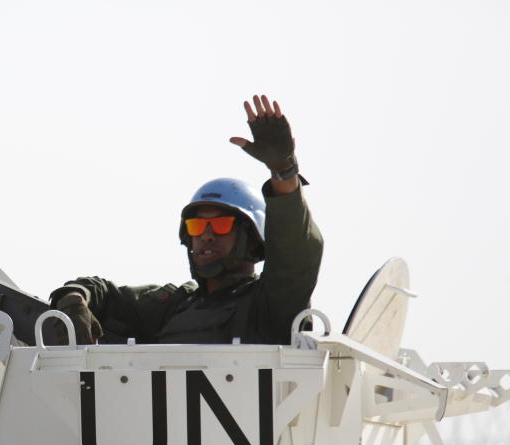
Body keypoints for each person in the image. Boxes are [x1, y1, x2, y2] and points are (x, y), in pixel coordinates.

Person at [50, 95, 323, 346]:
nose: (205, 235)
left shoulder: (269, 303)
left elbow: (295, 252)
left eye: (219, 225)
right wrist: (74, 299)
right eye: (197, 226)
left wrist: (284, 171)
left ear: (251, 238)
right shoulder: (176, 305)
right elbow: (104, 293)